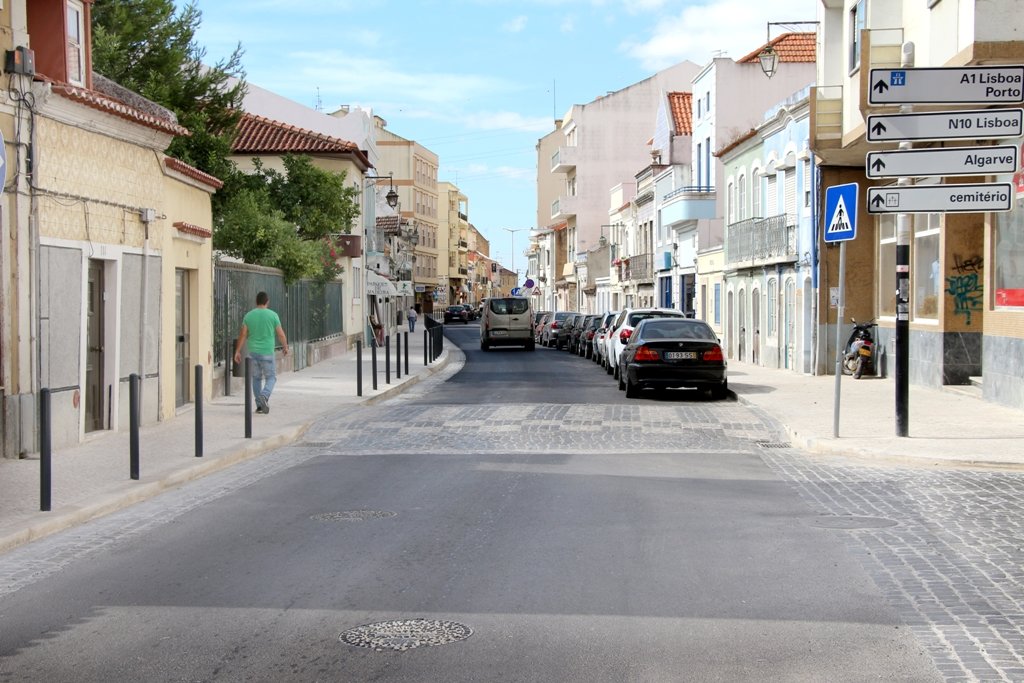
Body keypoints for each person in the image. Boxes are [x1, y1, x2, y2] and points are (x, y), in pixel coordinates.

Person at [233, 291, 288, 414]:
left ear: (256, 302)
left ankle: (259, 406)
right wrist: (285, 347)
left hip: (252, 352)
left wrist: (237, 351)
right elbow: (280, 334)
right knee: (271, 377)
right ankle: (264, 395)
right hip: (267, 352)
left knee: (256, 378)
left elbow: (242, 334)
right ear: (267, 302)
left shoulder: (249, 316)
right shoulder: (273, 315)